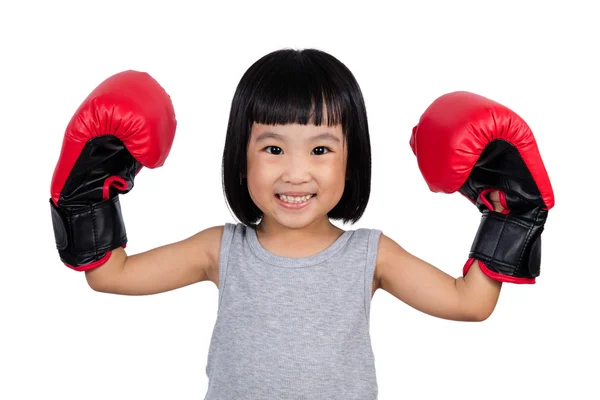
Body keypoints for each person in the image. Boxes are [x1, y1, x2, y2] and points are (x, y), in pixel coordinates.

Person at [49, 48, 554, 399]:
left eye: (320, 149)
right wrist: (88, 195)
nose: (296, 172)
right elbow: (110, 275)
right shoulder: (220, 249)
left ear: (351, 159)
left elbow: (470, 303)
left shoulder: (371, 254)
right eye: (272, 148)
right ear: (239, 157)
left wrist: (509, 216)